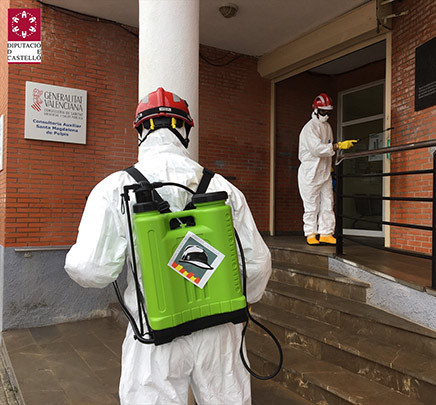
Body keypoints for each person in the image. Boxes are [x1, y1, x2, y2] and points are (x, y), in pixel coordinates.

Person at [65, 87, 272, 405]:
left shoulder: (114, 189)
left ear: (140, 133)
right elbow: (257, 264)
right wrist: (237, 298)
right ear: (185, 130)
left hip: (155, 334)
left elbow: (91, 270)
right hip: (220, 329)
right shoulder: (223, 188)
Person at [297, 93, 356, 246]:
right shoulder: (310, 127)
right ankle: (310, 233)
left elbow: (326, 153)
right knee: (311, 206)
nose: (326, 115)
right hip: (310, 173)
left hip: (324, 173)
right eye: (323, 111)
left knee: (328, 203)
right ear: (316, 110)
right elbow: (316, 149)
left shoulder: (327, 127)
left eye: (328, 112)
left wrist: (330, 169)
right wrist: (337, 146)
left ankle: (326, 233)